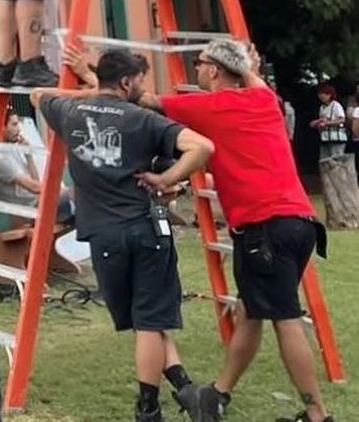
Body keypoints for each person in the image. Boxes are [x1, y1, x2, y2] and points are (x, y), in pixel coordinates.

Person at [142, 39, 334, 422]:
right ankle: (216, 396)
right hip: (301, 224)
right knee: (250, 310)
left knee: (285, 317)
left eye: (198, 63)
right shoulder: (265, 101)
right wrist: (247, 64)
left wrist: (89, 79)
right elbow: (254, 80)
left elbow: (146, 101)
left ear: (214, 70)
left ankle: (317, 415)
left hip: (265, 230)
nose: (195, 69)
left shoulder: (209, 106)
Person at [32, 49, 218, 422]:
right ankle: (147, 408)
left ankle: (184, 388)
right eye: (140, 82)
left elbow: (38, 96)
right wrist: (167, 179)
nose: (143, 89)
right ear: (127, 82)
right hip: (146, 229)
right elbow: (202, 147)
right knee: (150, 321)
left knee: (145, 318)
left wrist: (87, 88)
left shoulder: (68, 113)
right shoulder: (144, 120)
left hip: (103, 237)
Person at [0, 109, 74, 225]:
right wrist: (66, 192)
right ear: (1, 127)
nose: (19, 129)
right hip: (31, 210)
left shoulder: (14, 149)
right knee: (81, 201)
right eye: (14, 124)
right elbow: (34, 187)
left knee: (84, 205)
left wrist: (28, 155)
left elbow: (36, 181)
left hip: (41, 202)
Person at [313, 82, 359, 229]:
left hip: (337, 139)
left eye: (324, 93)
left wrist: (327, 123)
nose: (321, 96)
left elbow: (342, 119)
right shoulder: (322, 108)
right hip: (325, 139)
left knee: (336, 164)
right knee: (325, 163)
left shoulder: (336, 106)